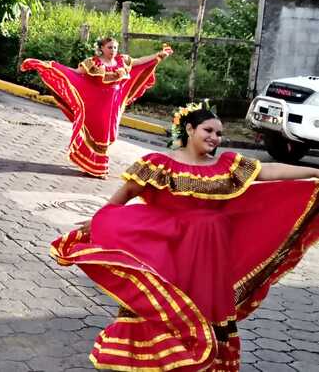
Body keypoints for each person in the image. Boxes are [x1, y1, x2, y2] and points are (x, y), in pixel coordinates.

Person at [51, 105, 319, 372]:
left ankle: (205, 362)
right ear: (189, 129)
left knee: (205, 305)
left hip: (211, 253)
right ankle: (159, 360)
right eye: (208, 130)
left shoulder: (227, 165)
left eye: (219, 133)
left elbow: (268, 172)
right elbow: (125, 194)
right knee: (167, 302)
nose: (215, 137)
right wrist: (99, 221)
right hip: (171, 248)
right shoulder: (160, 165)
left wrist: (314, 173)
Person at [21, 37, 173, 178]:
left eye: (115, 47)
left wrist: (157, 55)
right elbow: (75, 73)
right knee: (98, 134)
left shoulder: (122, 61)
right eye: (109, 47)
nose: (113, 50)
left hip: (112, 106)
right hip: (96, 105)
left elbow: (140, 61)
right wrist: (52, 67)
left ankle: (95, 165)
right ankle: (97, 168)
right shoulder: (93, 63)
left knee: (109, 134)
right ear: (102, 48)